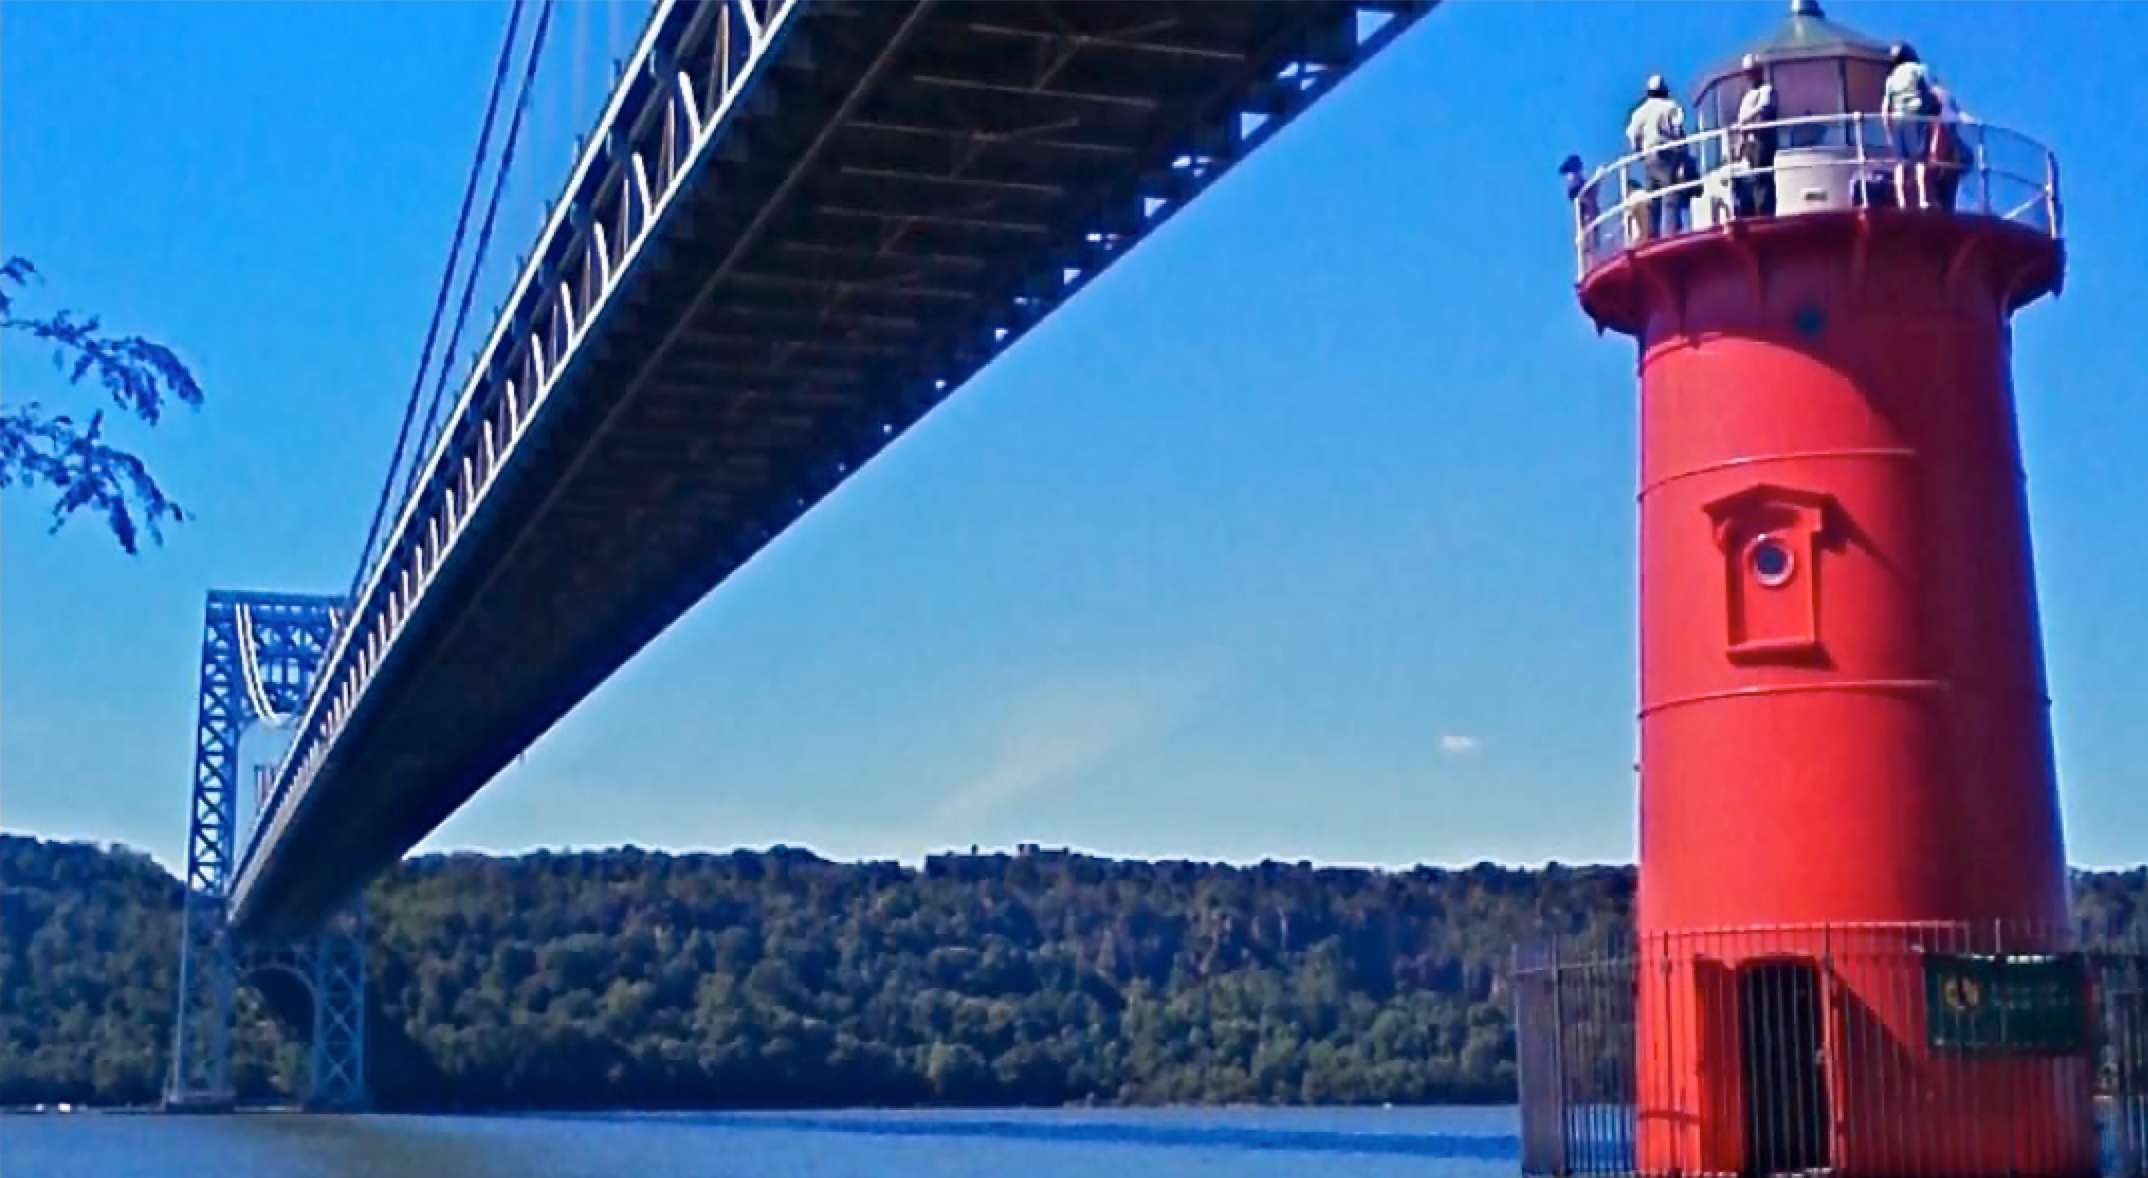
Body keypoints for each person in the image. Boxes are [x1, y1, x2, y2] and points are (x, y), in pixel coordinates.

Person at [1625, 75, 1690, 238]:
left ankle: (1652, 234)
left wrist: (1639, 151)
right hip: (1667, 153)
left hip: (1649, 157)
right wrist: (1683, 151)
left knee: (1653, 198)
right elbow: (1678, 130)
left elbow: (1632, 135)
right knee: (1670, 194)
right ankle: (1672, 231)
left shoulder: (1640, 112)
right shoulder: (1671, 107)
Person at [1882, 42, 1946, 207]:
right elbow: (1936, 92)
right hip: (1917, 116)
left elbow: (1885, 109)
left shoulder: (1891, 79)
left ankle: (1902, 201)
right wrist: (1939, 114)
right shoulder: (1919, 69)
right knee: (1921, 160)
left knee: (1901, 163)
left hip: (1898, 120)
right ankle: (1923, 198)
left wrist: (1889, 133)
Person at [1729, 54, 1778, 218]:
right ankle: (1750, 211)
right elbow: (1742, 123)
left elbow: (1764, 109)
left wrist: (1746, 119)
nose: (1750, 75)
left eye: (1753, 71)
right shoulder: (1747, 96)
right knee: (1749, 180)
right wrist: (1739, 146)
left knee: (1763, 178)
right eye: (1748, 72)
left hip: (1762, 141)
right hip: (1748, 145)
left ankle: (1765, 213)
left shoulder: (1767, 90)